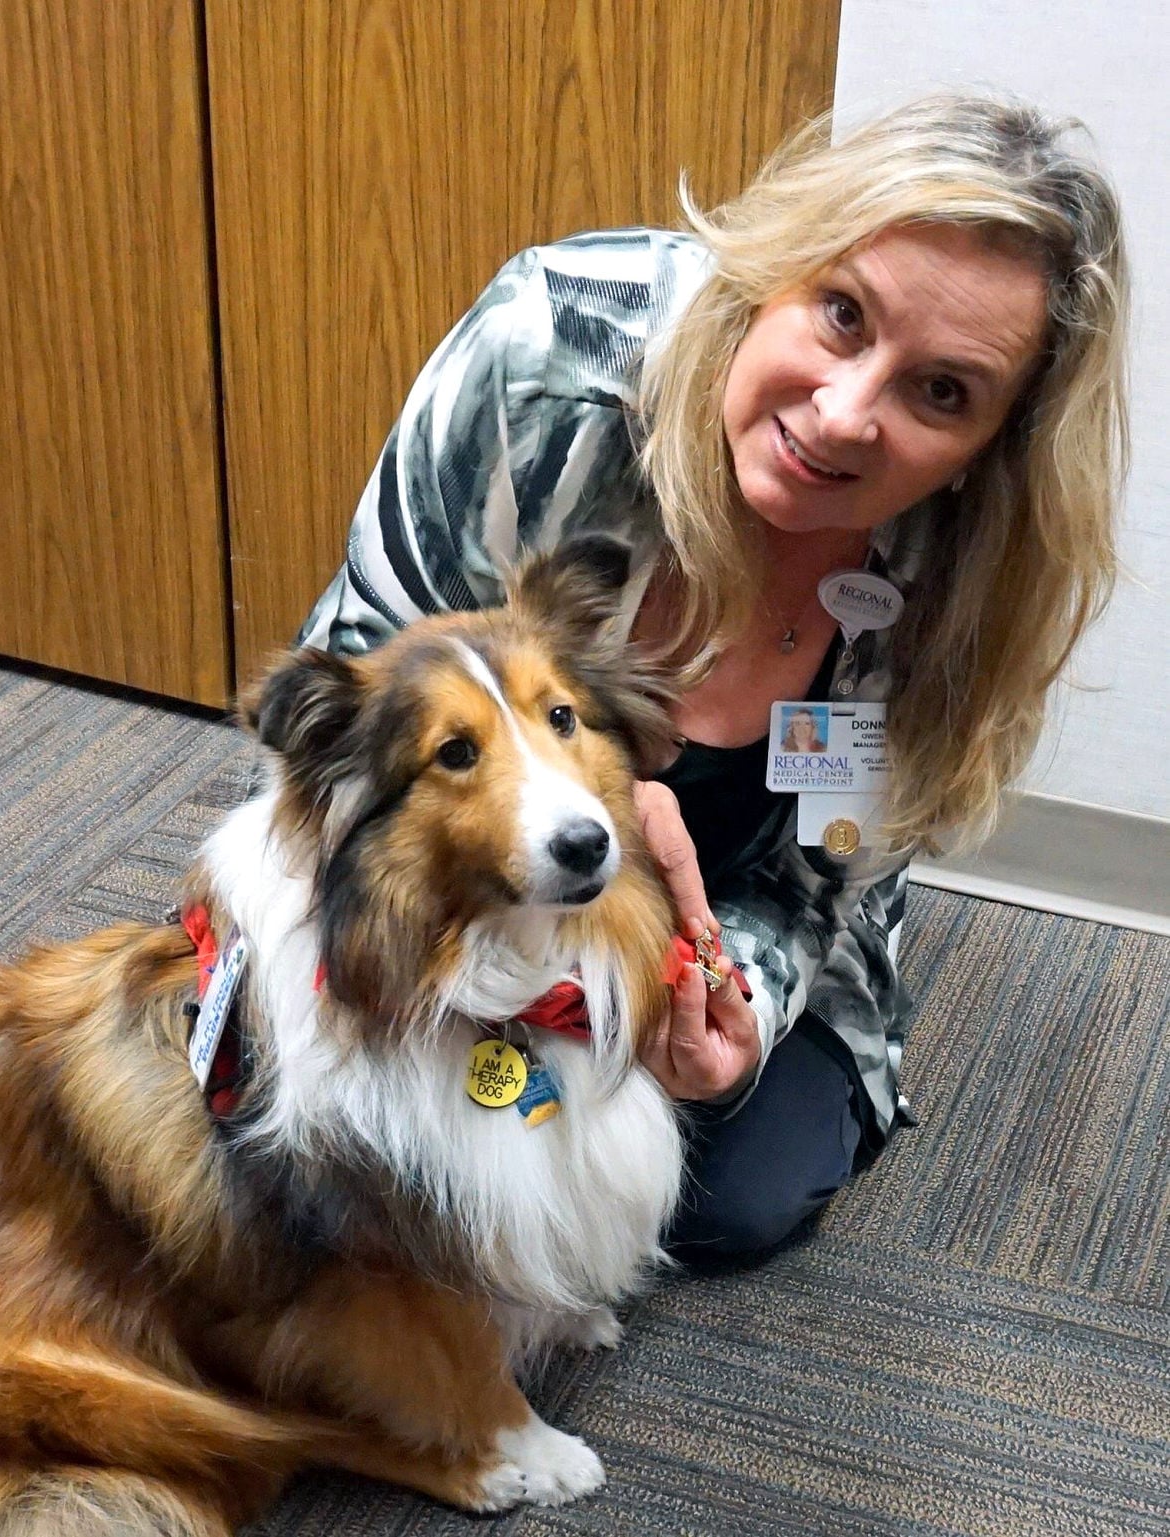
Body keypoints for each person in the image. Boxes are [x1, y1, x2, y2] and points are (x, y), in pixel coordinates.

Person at [298, 94, 1128, 1267]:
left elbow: (817, 872)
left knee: (721, 1198)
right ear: (773, 267)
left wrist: (728, 1004)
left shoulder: (959, 576)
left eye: (941, 392)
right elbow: (344, 718)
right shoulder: (544, 362)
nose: (842, 418)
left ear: (989, 448)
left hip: (738, 885)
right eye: (842, 314)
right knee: (367, 1147)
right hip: (465, 867)